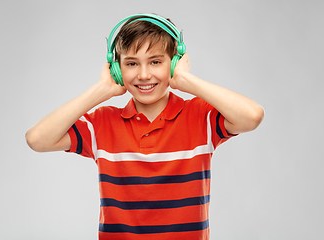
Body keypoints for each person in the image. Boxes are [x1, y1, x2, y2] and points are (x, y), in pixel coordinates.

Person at [26, 13, 264, 240]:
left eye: (156, 62)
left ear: (174, 64)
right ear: (117, 69)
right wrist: (101, 90)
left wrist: (187, 81)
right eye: (131, 64)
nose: (143, 74)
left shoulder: (200, 117)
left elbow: (251, 116)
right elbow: (37, 139)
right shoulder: (101, 124)